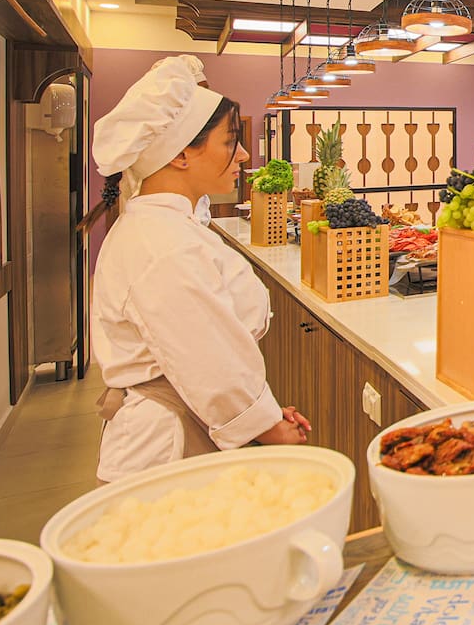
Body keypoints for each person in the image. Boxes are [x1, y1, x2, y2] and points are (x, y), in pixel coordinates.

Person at [89, 55, 310, 482]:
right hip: (166, 443)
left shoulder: (166, 228)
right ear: (181, 154)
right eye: (230, 141)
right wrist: (266, 425)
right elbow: (208, 359)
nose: (243, 155)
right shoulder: (162, 243)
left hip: (187, 418)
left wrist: (260, 411)